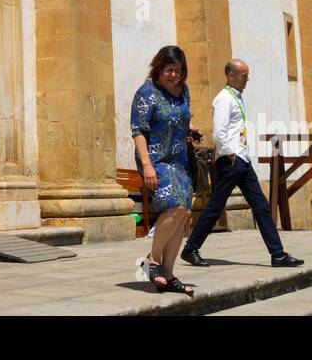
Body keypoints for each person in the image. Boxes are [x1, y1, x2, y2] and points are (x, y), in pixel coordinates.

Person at [181, 58, 303, 268]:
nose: (247, 79)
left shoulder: (235, 97)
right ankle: (190, 248)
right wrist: (231, 154)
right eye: (244, 75)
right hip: (231, 161)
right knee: (215, 206)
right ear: (231, 76)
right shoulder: (223, 99)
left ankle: (278, 254)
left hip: (242, 160)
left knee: (261, 206)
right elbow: (219, 133)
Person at [130, 45, 202, 296]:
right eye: (169, 70)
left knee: (184, 213)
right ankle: (153, 260)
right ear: (159, 67)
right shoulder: (146, 92)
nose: (174, 75)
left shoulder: (184, 91)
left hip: (179, 158)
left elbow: (182, 116)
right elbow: (138, 130)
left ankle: (168, 274)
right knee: (175, 206)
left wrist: (191, 128)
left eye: (179, 71)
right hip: (155, 158)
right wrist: (147, 165)